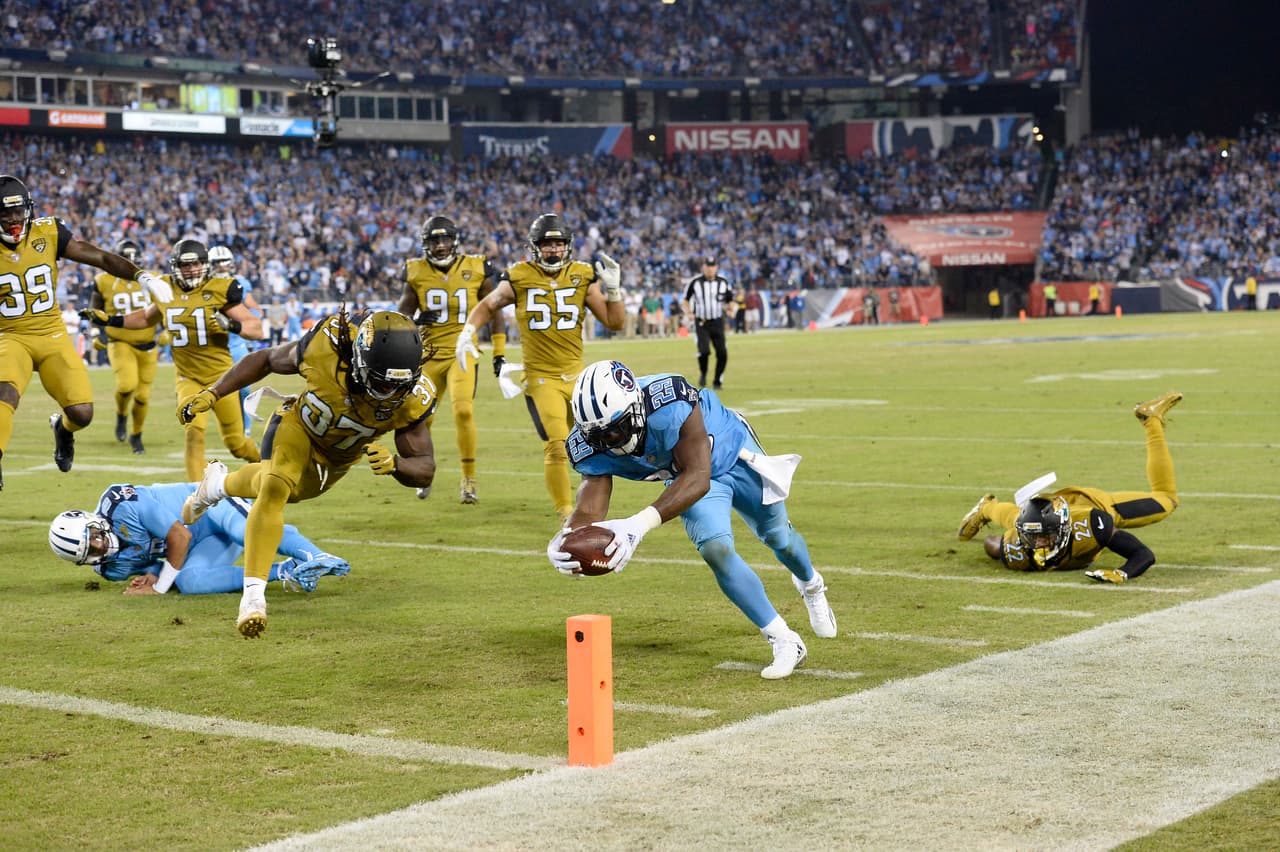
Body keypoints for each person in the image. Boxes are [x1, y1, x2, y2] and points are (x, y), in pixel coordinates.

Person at [550, 360, 837, 679]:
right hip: (686, 477)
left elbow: (699, 475)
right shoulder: (588, 446)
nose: (610, 440)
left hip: (731, 453)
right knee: (715, 549)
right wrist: (568, 537)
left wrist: (637, 525)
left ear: (636, 407)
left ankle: (811, 584)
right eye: (599, 436)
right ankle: (784, 639)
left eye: (617, 427)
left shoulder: (669, 400)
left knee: (778, 537)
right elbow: (591, 505)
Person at [176, 309, 437, 637]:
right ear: (359, 359)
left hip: (337, 459)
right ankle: (253, 599)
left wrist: (397, 465)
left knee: (289, 490)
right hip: (298, 426)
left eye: (397, 384)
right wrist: (214, 393)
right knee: (275, 487)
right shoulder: (325, 349)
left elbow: (425, 468)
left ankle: (218, 485)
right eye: (381, 380)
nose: (388, 392)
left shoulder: (413, 397)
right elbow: (266, 359)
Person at [0, 174, 173, 489]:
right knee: (4, 394)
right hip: (10, 336)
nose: (13, 219)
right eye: (4, 212)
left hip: (52, 334)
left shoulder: (48, 232)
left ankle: (63, 430)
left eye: (17, 210)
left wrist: (142, 276)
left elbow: (101, 257)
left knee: (82, 413)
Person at [456, 213, 625, 522]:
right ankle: (566, 516)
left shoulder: (582, 275)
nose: (553, 250)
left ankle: (593, 511)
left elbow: (615, 322)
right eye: (547, 244)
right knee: (557, 445)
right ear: (534, 247)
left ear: (568, 246)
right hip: (541, 378)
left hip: (577, 377)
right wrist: (468, 331)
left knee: (598, 445)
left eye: (558, 244)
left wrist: (614, 292)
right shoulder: (519, 276)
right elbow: (489, 304)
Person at [81, 238, 263, 481]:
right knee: (193, 433)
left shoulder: (220, 288)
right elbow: (146, 318)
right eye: (185, 265)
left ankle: (264, 464)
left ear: (205, 264)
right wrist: (110, 320)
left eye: (195, 264)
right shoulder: (166, 288)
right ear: (175, 266)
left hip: (222, 379)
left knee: (237, 444)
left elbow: (256, 328)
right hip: (188, 378)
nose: (191, 270)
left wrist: (231, 325)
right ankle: (196, 493)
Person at [957, 391, 1183, 583]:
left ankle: (1150, 419)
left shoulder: (1092, 525)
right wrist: (1000, 546)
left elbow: (1142, 554)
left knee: (1167, 498)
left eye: (1045, 536)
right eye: (1034, 537)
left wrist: (1121, 573)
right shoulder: (1020, 546)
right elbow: (995, 545)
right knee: (1015, 518)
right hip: (1048, 512)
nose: (1039, 543)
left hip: (1094, 503)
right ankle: (986, 507)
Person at [48, 482, 350, 595]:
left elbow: (179, 536)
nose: (100, 545)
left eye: (94, 536)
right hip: (202, 543)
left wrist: (160, 588)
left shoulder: (120, 504)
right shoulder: (110, 568)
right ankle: (287, 571)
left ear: (92, 521)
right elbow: (159, 568)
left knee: (243, 531)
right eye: (91, 551)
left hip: (208, 506)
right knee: (190, 583)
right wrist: (153, 578)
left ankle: (315, 555)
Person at [397, 215, 507, 504]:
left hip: (463, 352)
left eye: (445, 239)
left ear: (455, 241)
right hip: (428, 356)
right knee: (421, 418)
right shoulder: (416, 271)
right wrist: (416, 320)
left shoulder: (477, 266)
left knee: (463, 411)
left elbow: (495, 310)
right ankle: (423, 471)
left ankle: (468, 480)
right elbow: (401, 315)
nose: (441, 246)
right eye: (435, 241)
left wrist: (499, 351)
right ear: (426, 244)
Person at [91, 238, 160, 454]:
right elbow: (96, 309)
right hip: (120, 342)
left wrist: (168, 331)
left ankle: (136, 435)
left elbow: (166, 307)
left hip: (148, 345)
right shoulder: (103, 281)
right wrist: (96, 333)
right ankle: (121, 415)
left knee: (143, 397)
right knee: (126, 386)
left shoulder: (153, 280)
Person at [208, 245, 262, 437]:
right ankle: (229, 426)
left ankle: (245, 430)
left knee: (244, 389)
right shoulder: (203, 285)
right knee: (213, 389)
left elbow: (255, 310)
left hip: (236, 343)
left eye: (225, 263)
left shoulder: (239, 283)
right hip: (213, 346)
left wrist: (243, 323)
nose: (222, 267)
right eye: (217, 263)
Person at [682, 256, 733, 389]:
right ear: (703, 267)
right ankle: (703, 373)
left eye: (712, 266)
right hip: (702, 323)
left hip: (717, 321)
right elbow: (685, 300)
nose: (710, 269)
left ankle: (717, 381)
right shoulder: (695, 283)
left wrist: (731, 309)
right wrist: (689, 312)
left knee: (722, 353)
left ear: (716, 267)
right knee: (704, 351)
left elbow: (730, 300)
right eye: (708, 266)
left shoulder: (723, 282)